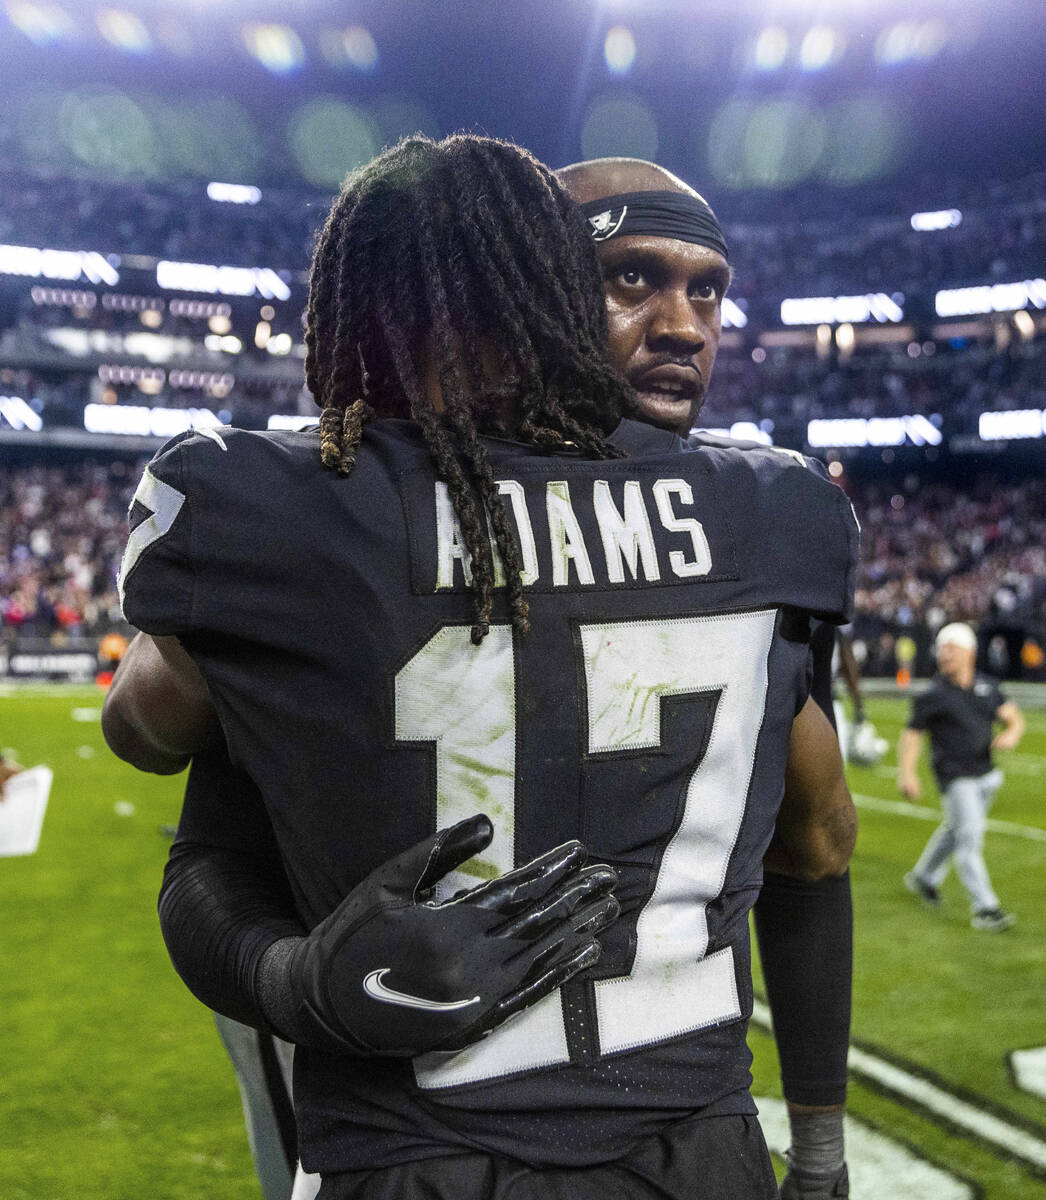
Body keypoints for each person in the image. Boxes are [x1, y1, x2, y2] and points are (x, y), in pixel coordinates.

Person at [103, 133, 858, 1199]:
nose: (682, 325)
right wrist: (820, 1157)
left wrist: (292, 982)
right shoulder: (778, 513)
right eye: (630, 279)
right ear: (524, 289)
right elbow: (819, 848)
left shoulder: (284, 507)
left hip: (414, 1160)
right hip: (700, 1158)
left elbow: (164, 776)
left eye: (706, 290)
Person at [899, 621, 1024, 932]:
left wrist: (1011, 733)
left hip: (987, 774)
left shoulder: (987, 686)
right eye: (941, 649)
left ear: (969, 651)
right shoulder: (933, 694)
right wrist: (907, 772)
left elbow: (1013, 718)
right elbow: (912, 734)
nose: (944, 655)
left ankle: (924, 877)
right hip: (956, 776)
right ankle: (986, 909)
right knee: (969, 838)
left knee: (955, 830)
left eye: (951, 649)